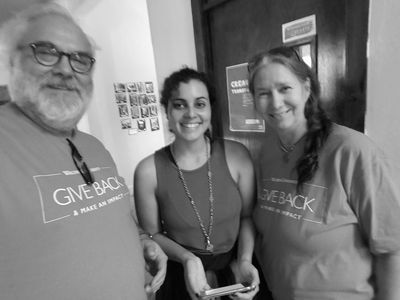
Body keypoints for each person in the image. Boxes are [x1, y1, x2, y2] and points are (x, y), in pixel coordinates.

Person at [0, 3, 167, 299]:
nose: (66, 69)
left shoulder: (95, 147)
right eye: (47, 52)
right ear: (13, 61)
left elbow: (105, 220)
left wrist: (138, 242)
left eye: (80, 59)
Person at [248, 46, 400, 300]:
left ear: (306, 89)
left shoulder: (352, 151)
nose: (275, 102)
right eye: (263, 93)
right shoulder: (265, 154)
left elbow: (392, 248)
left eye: (285, 88)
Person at [134, 67, 260, 299]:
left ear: (211, 109)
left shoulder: (237, 156)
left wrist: (244, 260)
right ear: (167, 111)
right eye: (180, 105)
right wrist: (188, 259)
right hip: (182, 273)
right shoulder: (147, 171)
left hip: (235, 269)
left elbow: (247, 217)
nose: (191, 113)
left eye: (200, 104)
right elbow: (152, 234)